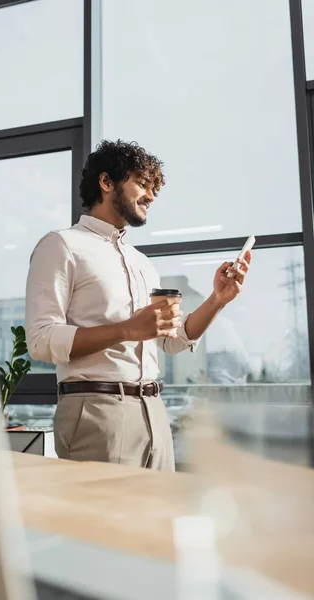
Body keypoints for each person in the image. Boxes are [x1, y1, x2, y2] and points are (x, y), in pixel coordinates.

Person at [25, 140, 251, 471]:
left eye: (154, 188)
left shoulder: (142, 263)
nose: (151, 196)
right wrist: (128, 329)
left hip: (155, 412)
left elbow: (171, 339)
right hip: (97, 411)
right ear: (106, 183)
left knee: (159, 520)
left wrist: (217, 300)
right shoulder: (61, 246)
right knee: (105, 522)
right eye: (142, 184)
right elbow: (41, 340)